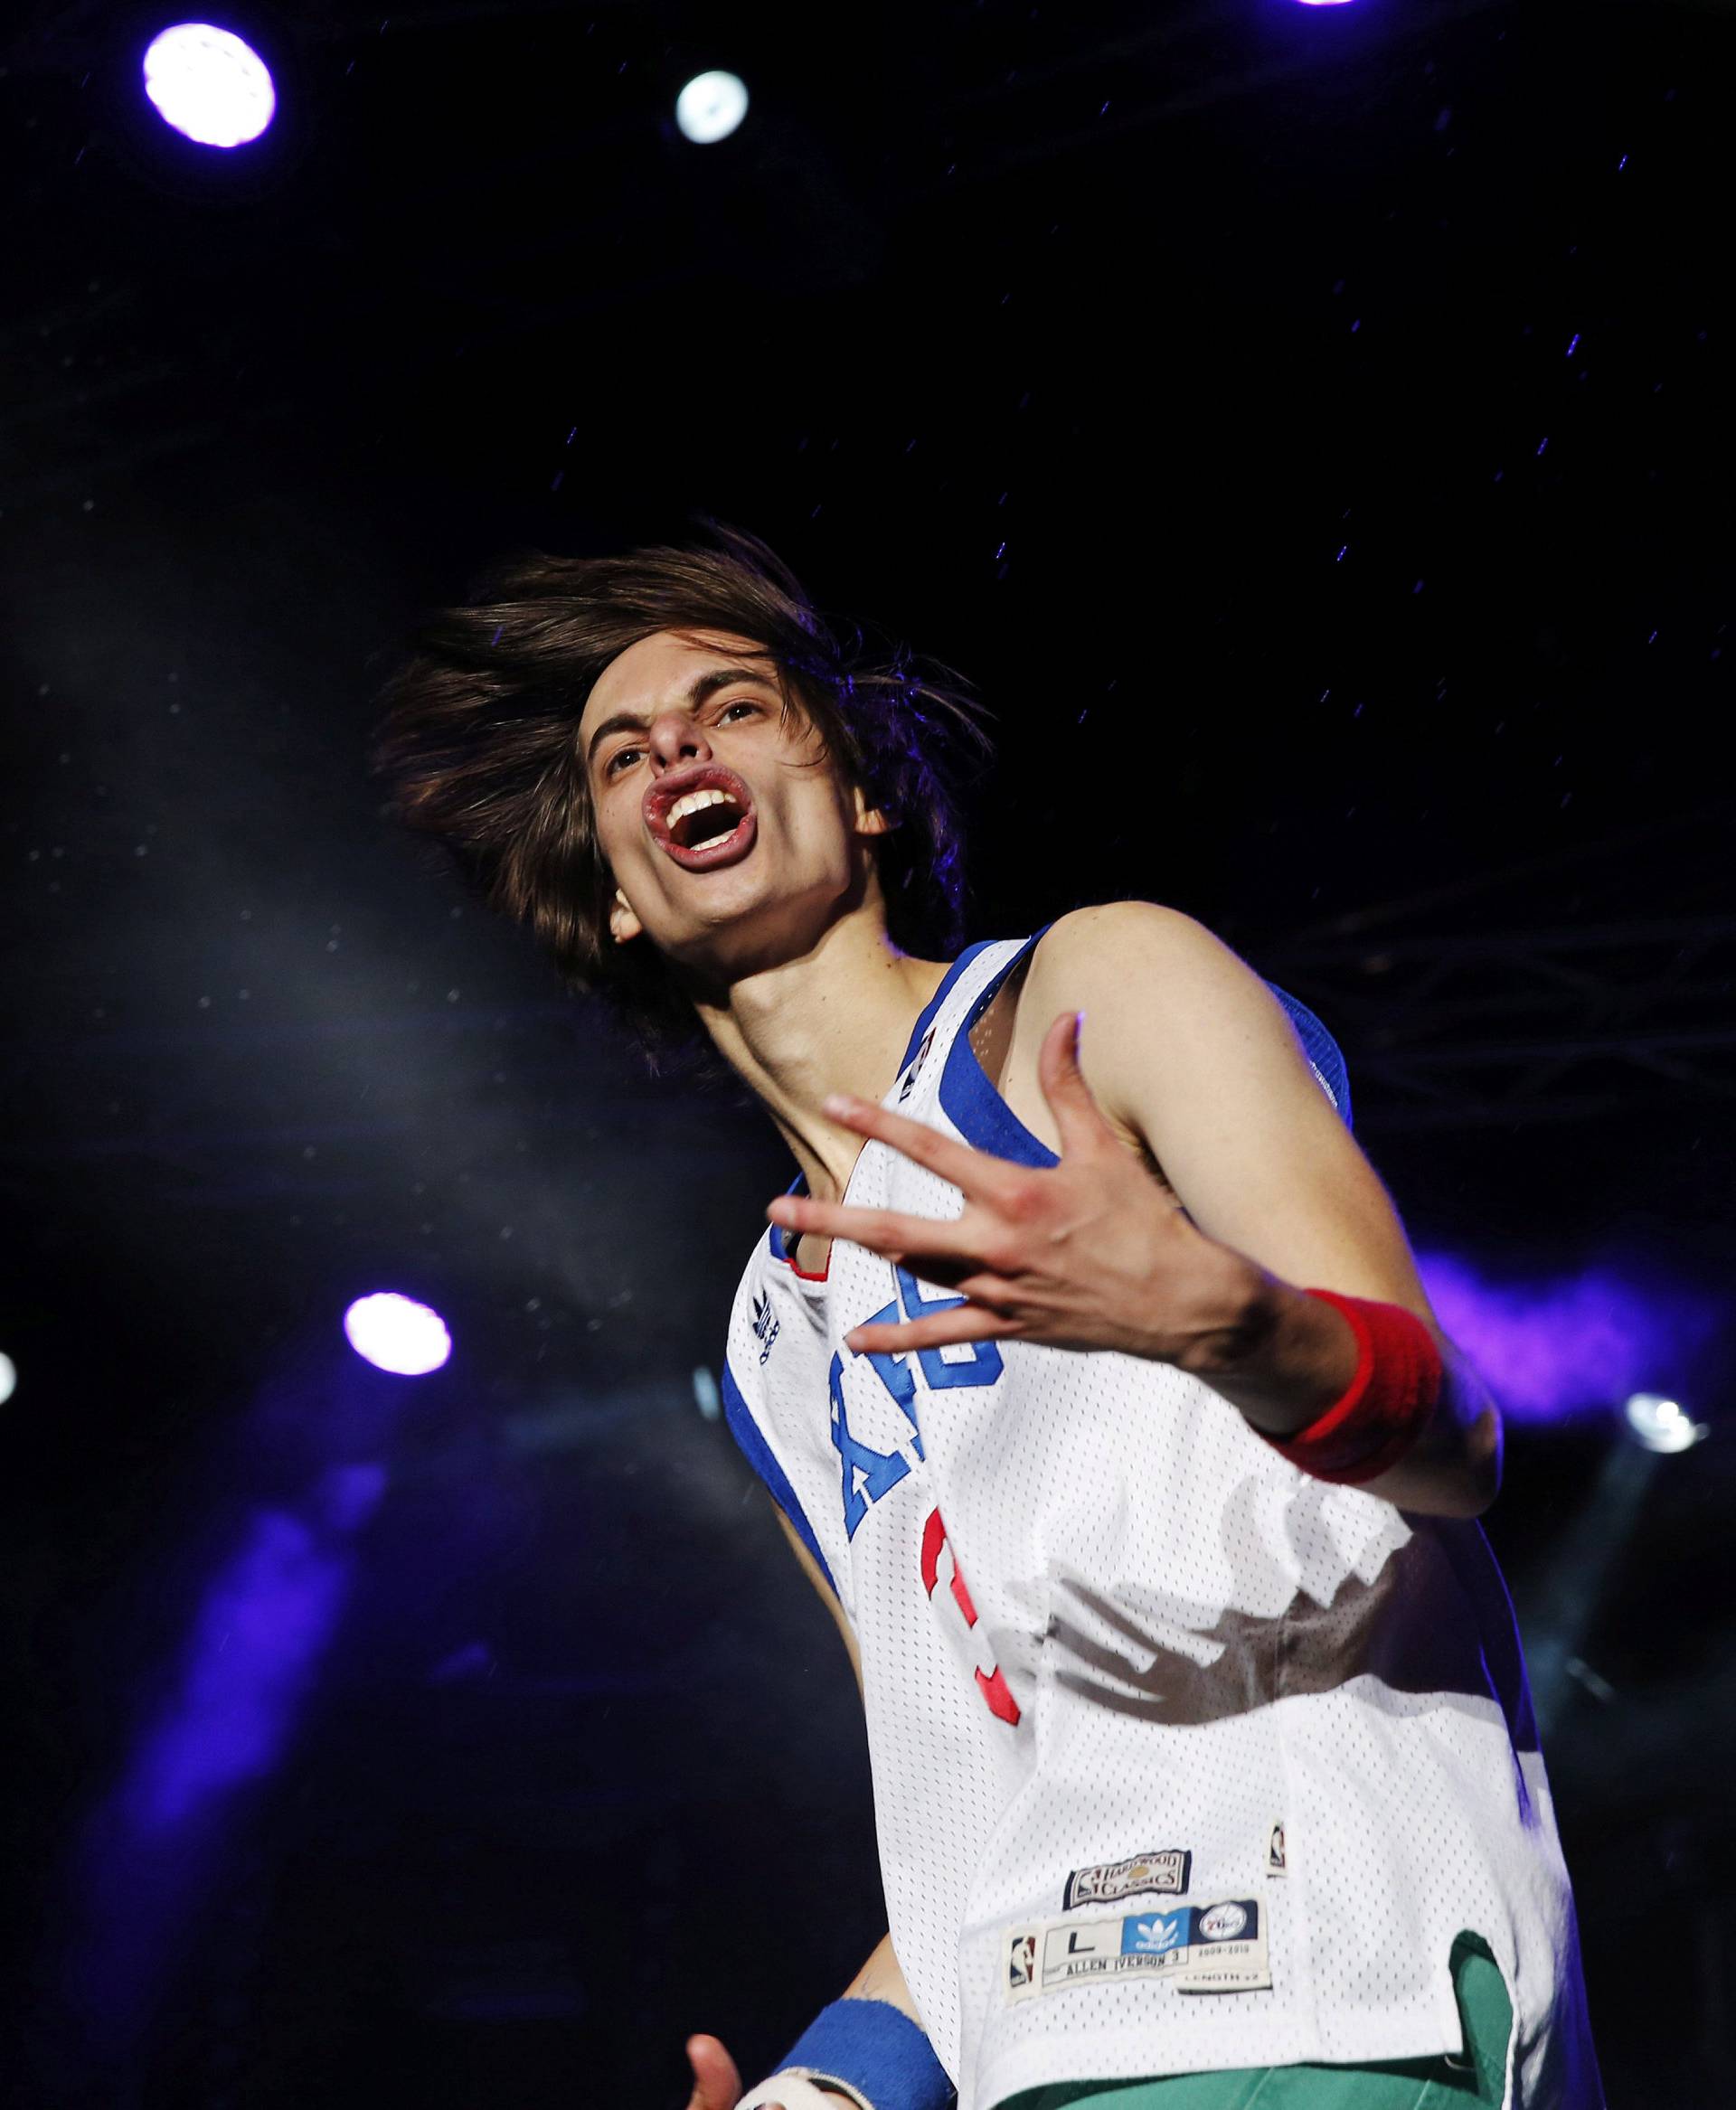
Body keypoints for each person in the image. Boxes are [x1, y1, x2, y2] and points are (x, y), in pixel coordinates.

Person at [371, 523, 1601, 2110]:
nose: (676, 740)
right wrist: (813, 2096)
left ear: (866, 794)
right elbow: (976, 1815)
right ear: (610, 891)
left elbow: (1452, 1440)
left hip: (1329, 1992)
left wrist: (1216, 1318)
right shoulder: (769, 1343)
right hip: (1051, 2061)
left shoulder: (1091, 1001)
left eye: (735, 705)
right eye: (624, 749)